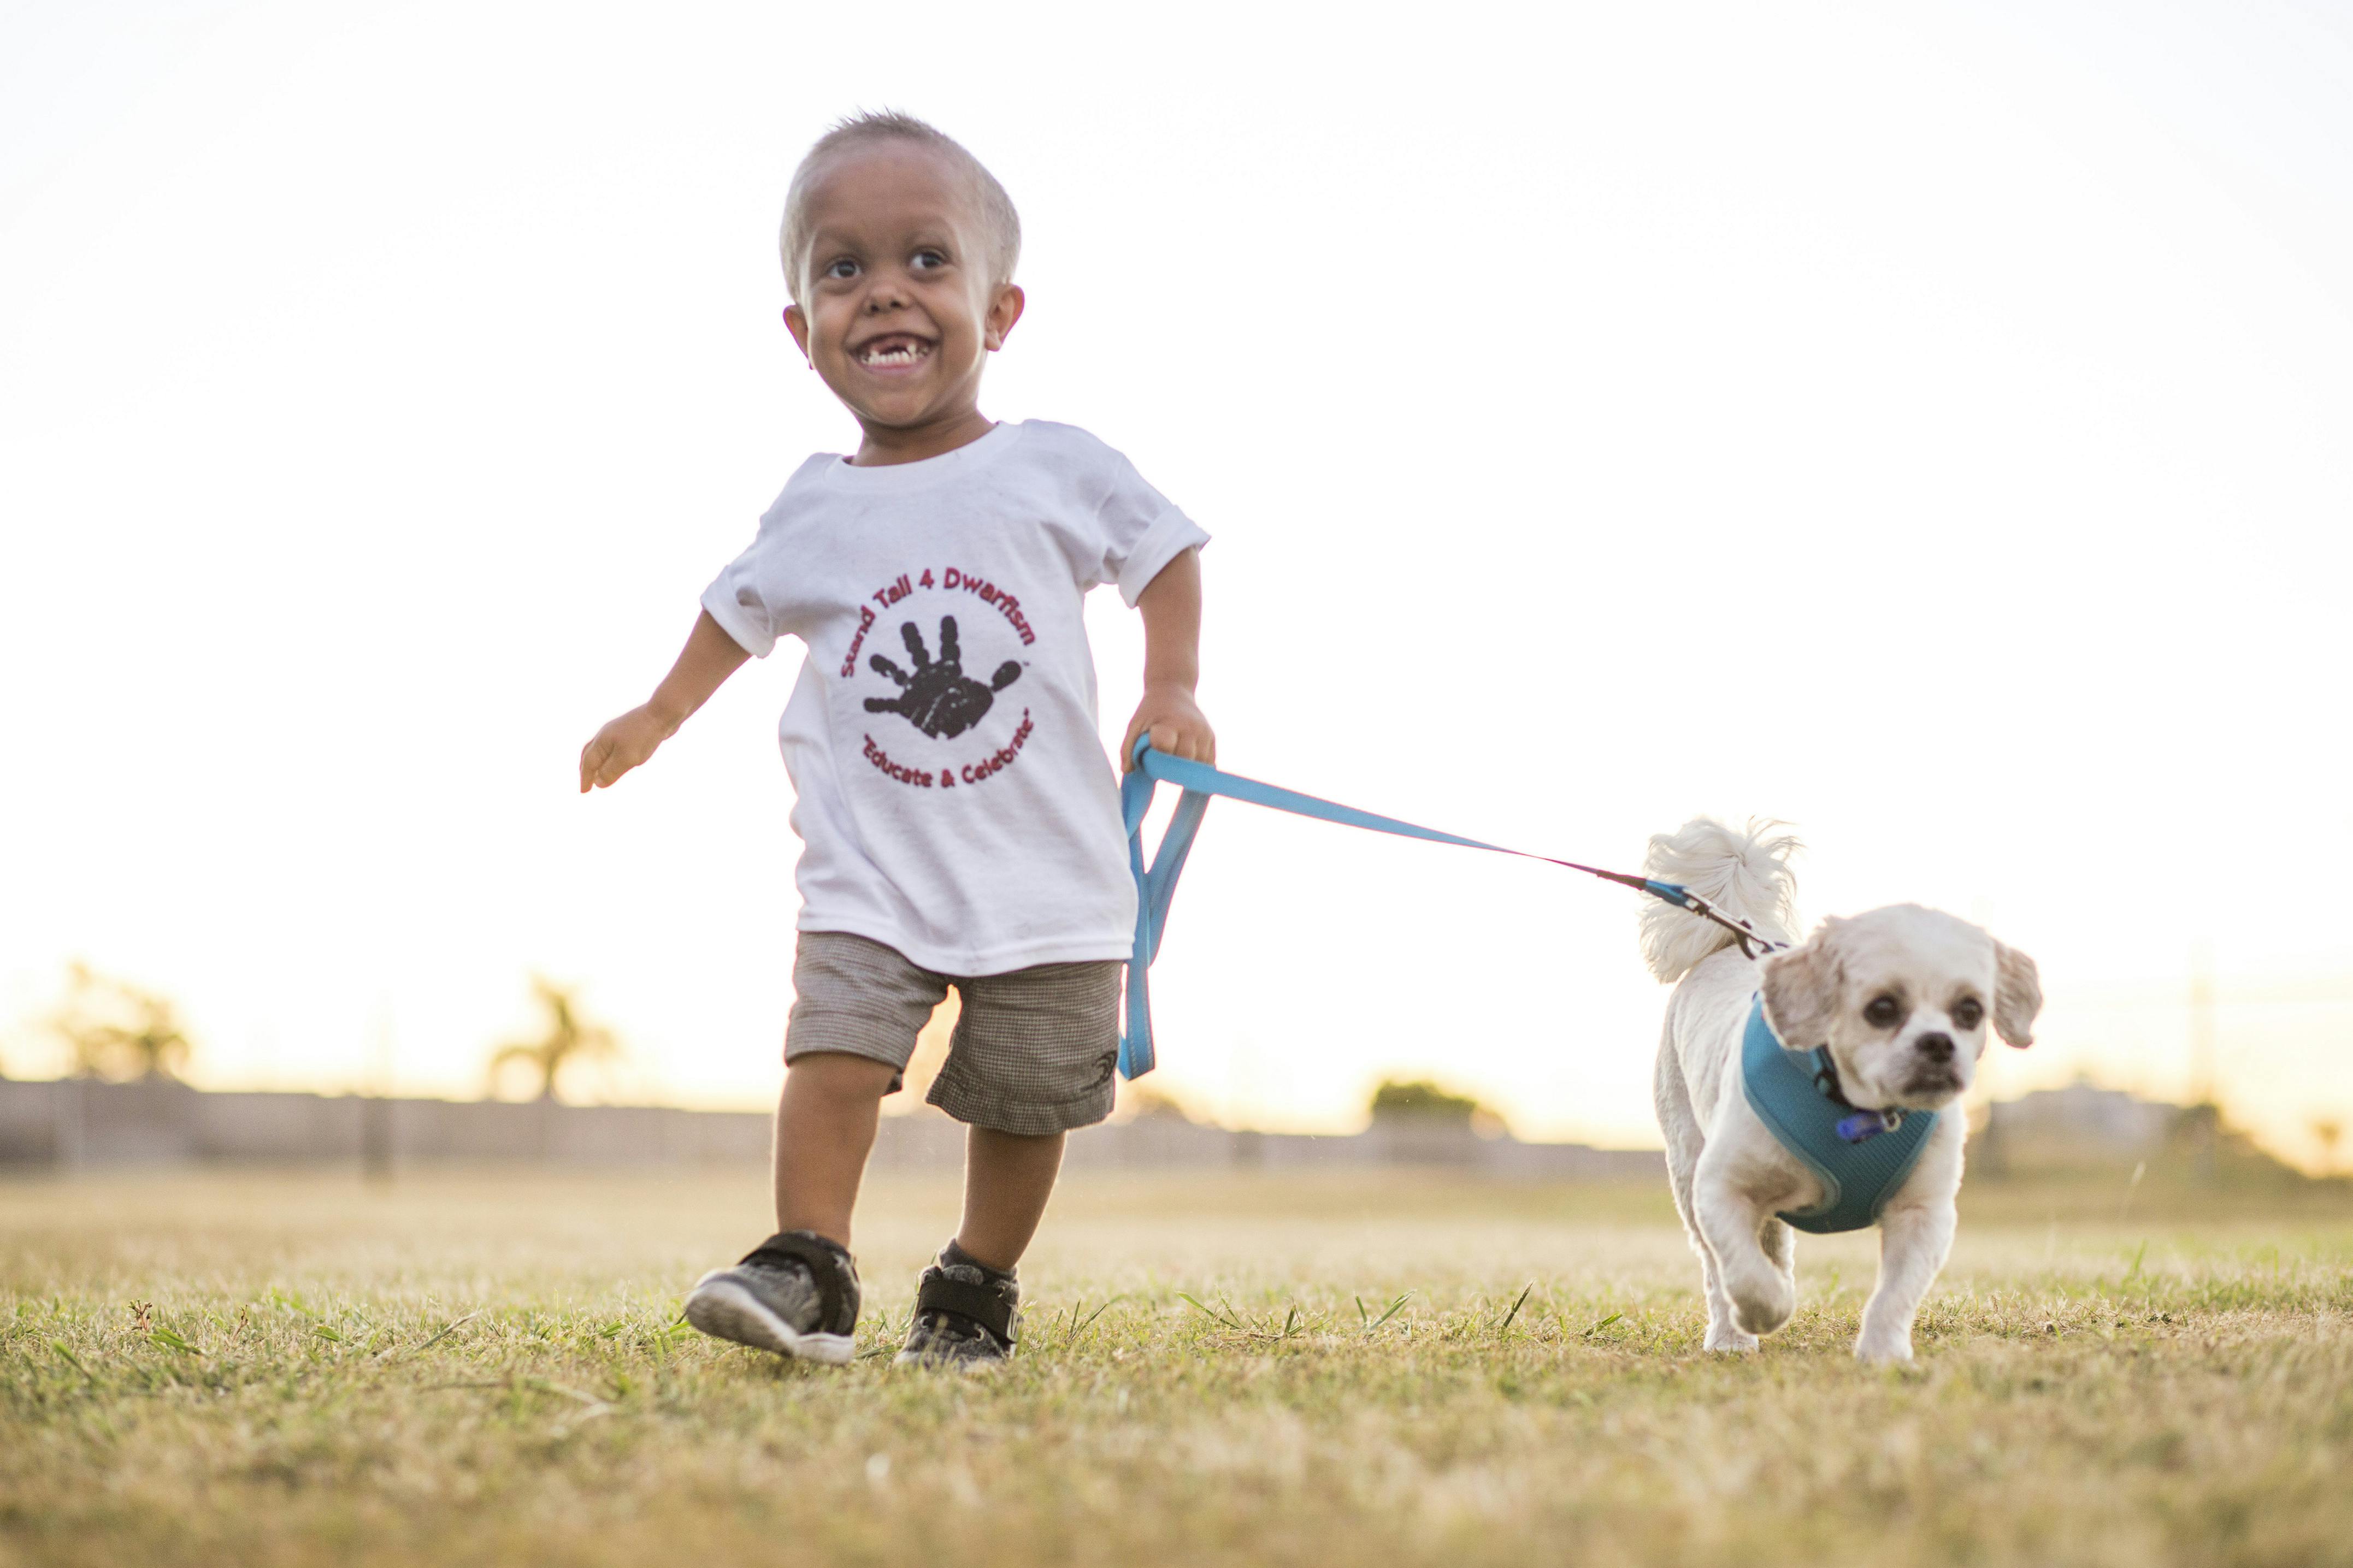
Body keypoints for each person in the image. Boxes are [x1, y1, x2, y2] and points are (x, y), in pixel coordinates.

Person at [577, 111, 1214, 1370]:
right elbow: (733, 609)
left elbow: (1167, 549)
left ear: (1003, 307)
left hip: (1051, 873)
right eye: (841, 268)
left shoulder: (1053, 467)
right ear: (798, 326)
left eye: (927, 261)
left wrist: (1174, 683)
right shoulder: (814, 504)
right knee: (832, 1051)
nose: (884, 294)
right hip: (870, 866)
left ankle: (976, 1284)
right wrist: (657, 712)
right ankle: (806, 1258)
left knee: (1031, 1097)